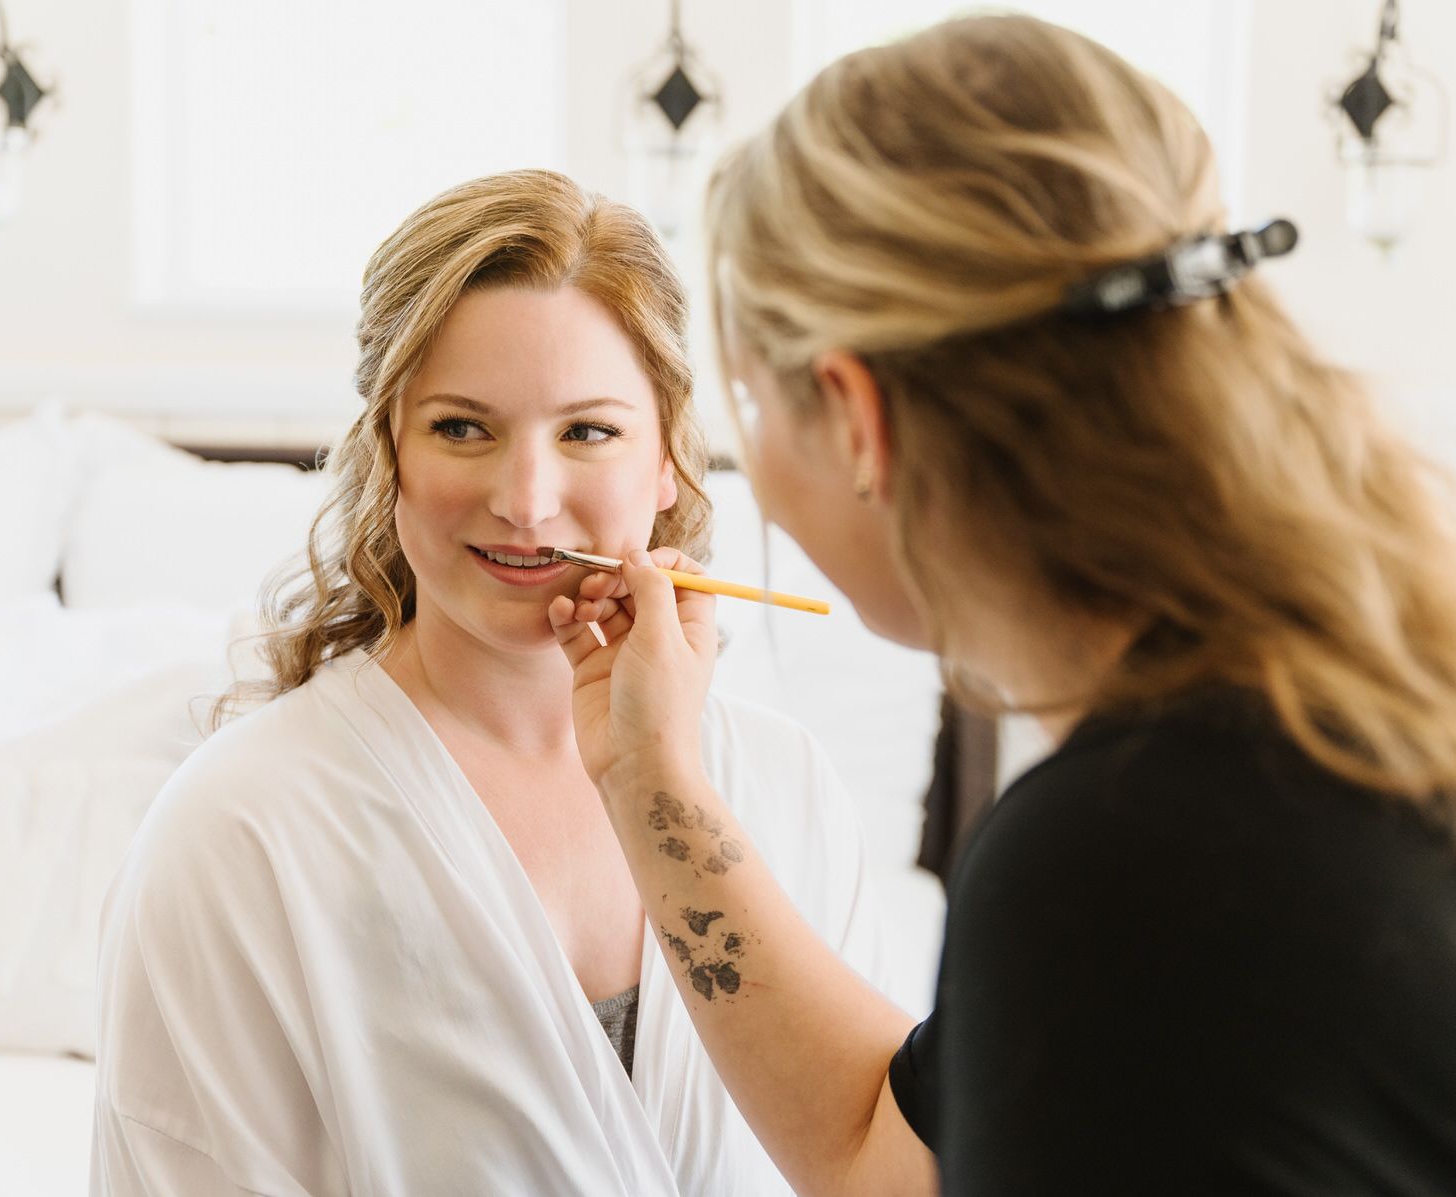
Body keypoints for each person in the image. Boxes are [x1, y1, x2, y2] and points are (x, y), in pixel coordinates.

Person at [548, 14, 1456, 1196]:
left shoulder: (1121, 862)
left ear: (856, 416)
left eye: (751, 407)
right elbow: (882, 1152)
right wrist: (650, 775)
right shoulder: (1404, 718)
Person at [89, 170, 886, 1196]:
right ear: (389, 451)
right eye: (463, 428)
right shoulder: (240, 832)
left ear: (665, 461)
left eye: (587, 432)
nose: (525, 501)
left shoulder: (794, 793)